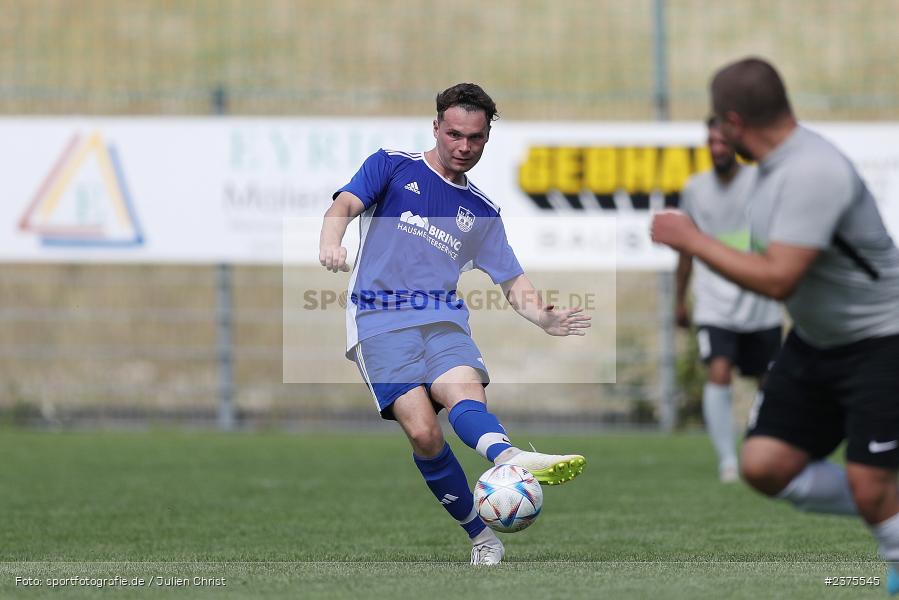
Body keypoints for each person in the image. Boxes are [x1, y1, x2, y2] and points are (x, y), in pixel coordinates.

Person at [651, 57, 899, 590]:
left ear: (734, 122)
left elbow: (780, 279)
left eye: (717, 120)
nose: (715, 130)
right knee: (764, 465)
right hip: (816, 342)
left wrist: (692, 240)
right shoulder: (769, 173)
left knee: (871, 487)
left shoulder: (813, 170)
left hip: (883, 340)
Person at [319, 83, 590, 566]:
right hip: (378, 321)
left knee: (464, 395)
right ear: (436, 127)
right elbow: (343, 205)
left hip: (442, 320)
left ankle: (506, 456)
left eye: (476, 138)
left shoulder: (482, 212)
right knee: (424, 434)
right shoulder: (393, 164)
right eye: (454, 135)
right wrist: (331, 239)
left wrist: (545, 318)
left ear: (487, 137)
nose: (463, 147)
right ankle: (481, 535)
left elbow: (512, 280)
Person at [676, 117, 782, 483]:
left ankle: (755, 441)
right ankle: (728, 461)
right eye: (712, 142)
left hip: (760, 301)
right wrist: (680, 300)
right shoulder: (695, 189)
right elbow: (686, 250)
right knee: (718, 370)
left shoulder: (760, 182)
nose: (718, 149)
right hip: (714, 303)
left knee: (769, 381)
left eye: (724, 142)